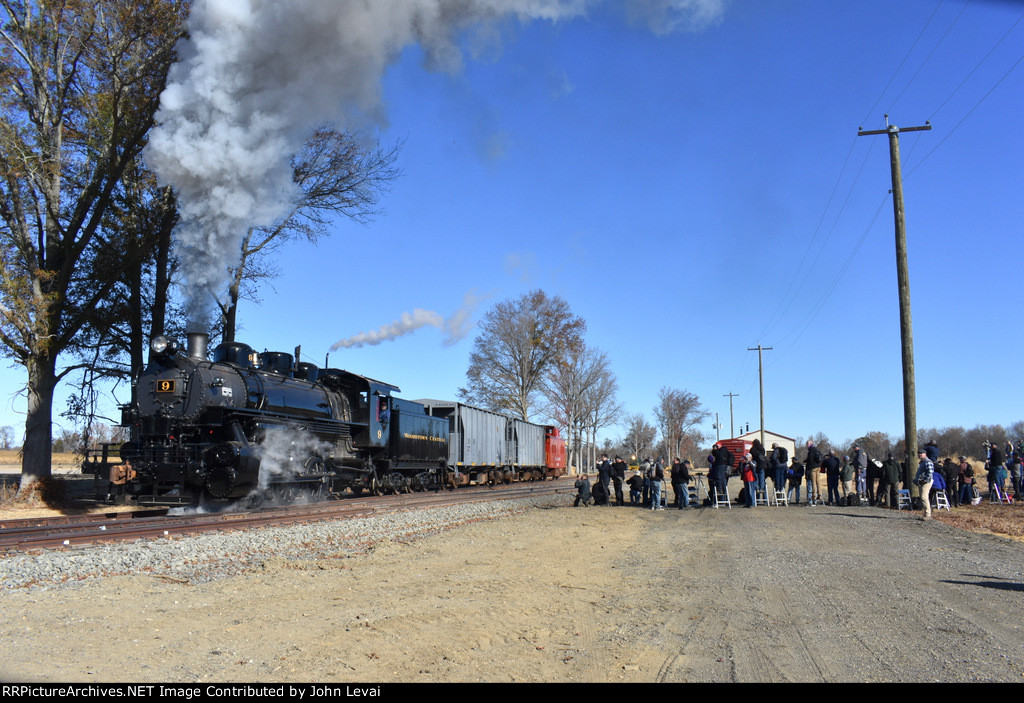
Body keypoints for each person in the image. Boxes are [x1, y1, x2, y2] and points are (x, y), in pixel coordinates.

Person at [914, 449, 934, 519]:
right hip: (921, 482)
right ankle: (925, 514)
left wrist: (925, 480)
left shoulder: (927, 462)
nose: (920, 454)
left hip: (926, 482)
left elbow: (930, 472)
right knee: (922, 498)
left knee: (924, 497)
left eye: (921, 453)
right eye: (919, 453)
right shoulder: (921, 462)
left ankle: (928, 514)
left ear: (925, 454)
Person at [804, 440, 822, 504]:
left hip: (813, 468)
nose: (806, 444)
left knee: (813, 481)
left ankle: (814, 495)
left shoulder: (811, 450)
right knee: (818, 481)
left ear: (811, 444)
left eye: (807, 443)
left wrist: (808, 465)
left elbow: (810, 459)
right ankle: (820, 494)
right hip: (818, 467)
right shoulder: (816, 449)